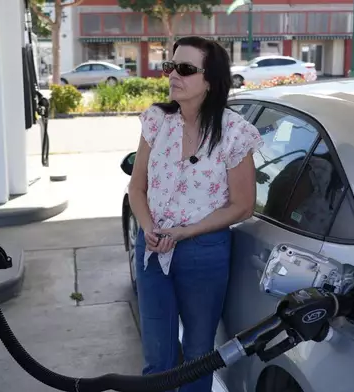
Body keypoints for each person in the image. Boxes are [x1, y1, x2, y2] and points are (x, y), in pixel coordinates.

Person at [127, 36, 263, 392]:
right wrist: (147, 227)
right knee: (158, 357)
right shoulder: (156, 120)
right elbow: (136, 187)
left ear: (211, 81)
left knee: (199, 353)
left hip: (204, 251)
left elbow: (243, 205)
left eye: (185, 69)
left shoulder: (234, 133)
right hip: (153, 249)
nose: (173, 75)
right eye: (169, 66)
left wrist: (187, 232)